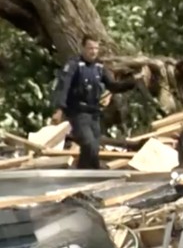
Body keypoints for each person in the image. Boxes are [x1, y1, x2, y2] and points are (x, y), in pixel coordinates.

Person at [51, 35, 143, 169]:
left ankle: (86, 173)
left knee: (94, 147)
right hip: (78, 113)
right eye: (90, 48)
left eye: (96, 48)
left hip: (94, 113)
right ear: (82, 48)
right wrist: (59, 109)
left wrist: (133, 81)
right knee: (88, 143)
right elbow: (63, 86)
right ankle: (86, 173)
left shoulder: (99, 67)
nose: (93, 52)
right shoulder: (74, 65)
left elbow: (113, 86)